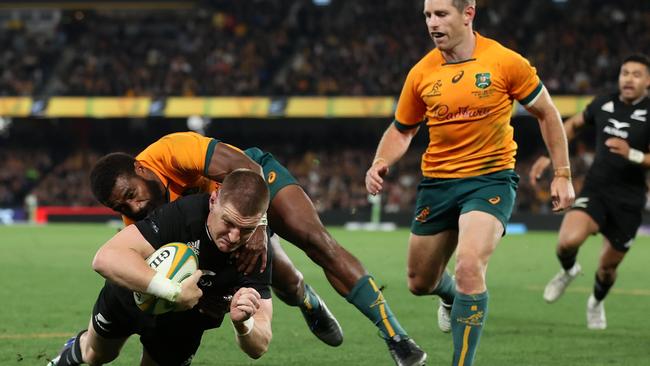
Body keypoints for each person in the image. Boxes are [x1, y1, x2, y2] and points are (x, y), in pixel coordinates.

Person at [90, 131, 426, 365]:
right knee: (286, 282)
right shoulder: (137, 221)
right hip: (221, 231)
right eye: (122, 206)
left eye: (132, 195)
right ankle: (305, 298)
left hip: (254, 184)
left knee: (316, 240)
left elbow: (246, 169)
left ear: (140, 168)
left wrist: (259, 225)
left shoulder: (171, 150)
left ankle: (397, 337)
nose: (133, 208)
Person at [364, 0, 575, 365]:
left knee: (468, 265)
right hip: (438, 184)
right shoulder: (421, 73)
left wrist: (563, 174)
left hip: (490, 180)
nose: (432, 23)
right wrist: (381, 161)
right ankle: (448, 296)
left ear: (468, 14)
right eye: (428, 15)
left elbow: (548, 114)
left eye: (441, 14)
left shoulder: (505, 61)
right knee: (419, 282)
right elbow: (402, 130)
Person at [48, 169, 273, 366]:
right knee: (96, 356)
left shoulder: (256, 253)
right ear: (214, 200)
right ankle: (71, 353)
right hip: (130, 298)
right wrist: (174, 292)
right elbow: (105, 258)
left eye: (246, 229)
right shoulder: (185, 213)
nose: (234, 237)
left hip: (183, 326)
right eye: (228, 222)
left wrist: (244, 323)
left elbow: (260, 346)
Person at [530, 54, 650, 330]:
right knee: (566, 242)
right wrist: (550, 156)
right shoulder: (603, 103)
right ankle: (569, 270)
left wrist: (632, 154)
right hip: (597, 189)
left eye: (636, 74)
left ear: (648, 81)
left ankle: (595, 302)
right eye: (625, 73)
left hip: (629, 200)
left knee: (607, 269)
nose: (628, 79)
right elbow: (571, 125)